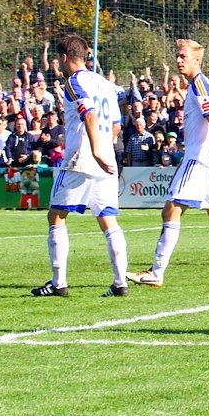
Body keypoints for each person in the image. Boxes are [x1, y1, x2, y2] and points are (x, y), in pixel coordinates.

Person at [127, 39, 209, 288]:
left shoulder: (201, 84)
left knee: (171, 210)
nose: (178, 60)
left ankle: (156, 272)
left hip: (199, 159)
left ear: (197, 59)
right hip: (202, 159)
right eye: (178, 56)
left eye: (183, 56)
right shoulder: (195, 85)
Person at [30, 34, 129, 298]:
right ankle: (120, 283)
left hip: (82, 158)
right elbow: (116, 125)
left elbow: (90, 115)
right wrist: (105, 149)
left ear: (64, 58)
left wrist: (94, 150)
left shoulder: (74, 82)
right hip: (106, 160)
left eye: (58, 60)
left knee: (56, 216)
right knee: (108, 219)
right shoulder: (106, 84)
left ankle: (59, 283)